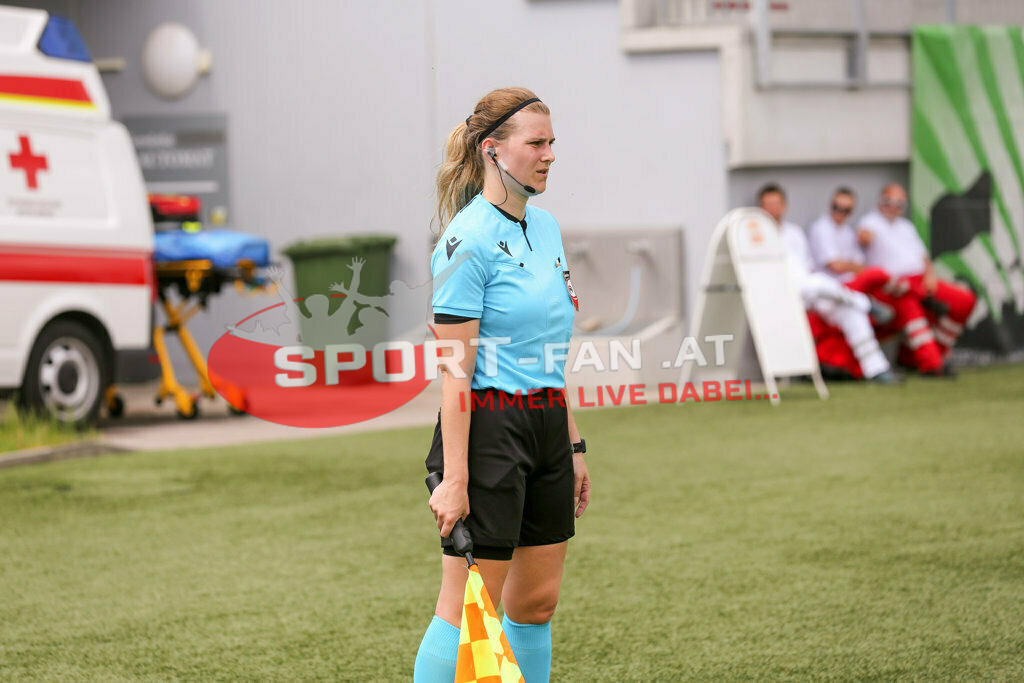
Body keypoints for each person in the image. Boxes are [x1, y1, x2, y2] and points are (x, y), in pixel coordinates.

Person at [414, 87, 591, 683]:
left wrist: (572, 443)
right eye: (535, 144)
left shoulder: (547, 229)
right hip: (488, 428)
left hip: (544, 424)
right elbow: (455, 374)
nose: (549, 156)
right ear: (493, 151)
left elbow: (549, 350)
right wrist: (456, 476)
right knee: (470, 610)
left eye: (551, 143)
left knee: (535, 603)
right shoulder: (466, 242)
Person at [758, 184, 899, 383]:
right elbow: (836, 266)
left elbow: (808, 266)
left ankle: (877, 369)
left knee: (850, 311)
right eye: (767, 204)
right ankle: (865, 303)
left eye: (775, 204)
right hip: (784, 295)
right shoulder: (755, 237)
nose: (772, 209)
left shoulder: (794, 232)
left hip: (812, 293)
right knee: (817, 284)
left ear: (784, 206)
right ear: (760, 208)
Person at [857, 183, 977, 375]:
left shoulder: (906, 226)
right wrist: (863, 237)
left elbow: (923, 256)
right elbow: (862, 238)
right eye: (888, 201)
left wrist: (930, 275)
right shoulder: (870, 221)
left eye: (899, 203)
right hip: (893, 286)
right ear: (880, 200)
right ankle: (932, 365)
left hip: (920, 280)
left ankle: (935, 353)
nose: (893, 206)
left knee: (964, 300)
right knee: (910, 306)